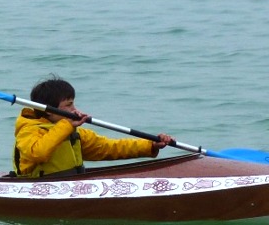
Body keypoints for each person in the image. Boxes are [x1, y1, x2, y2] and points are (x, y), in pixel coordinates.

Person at [12, 76, 175, 178]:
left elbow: (109, 148)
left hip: (71, 186)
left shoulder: (73, 133)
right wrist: (66, 125)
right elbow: (38, 153)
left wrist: (150, 145)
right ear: (48, 111)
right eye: (68, 105)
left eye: (73, 103)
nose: (74, 110)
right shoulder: (28, 130)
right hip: (37, 188)